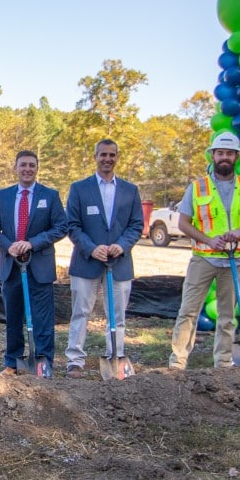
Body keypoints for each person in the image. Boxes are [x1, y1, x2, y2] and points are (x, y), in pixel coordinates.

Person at [168, 132, 240, 369]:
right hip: (204, 259)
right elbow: (183, 224)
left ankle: (223, 362)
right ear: (212, 155)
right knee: (188, 311)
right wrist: (209, 240)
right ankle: (177, 363)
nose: (224, 157)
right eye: (220, 153)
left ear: (236, 157)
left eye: (229, 153)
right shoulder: (197, 187)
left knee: (227, 316)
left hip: (235, 260)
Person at [64, 138, 144, 378]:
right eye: (103, 155)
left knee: (117, 315)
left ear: (117, 157)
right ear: (95, 157)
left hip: (119, 263)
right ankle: (74, 360)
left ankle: (116, 357)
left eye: (112, 155)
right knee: (80, 312)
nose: (107, 159)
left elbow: (136, 224)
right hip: (86, 262)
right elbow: (72, 225)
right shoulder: (80, 188)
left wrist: (122, 245)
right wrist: (91, 248)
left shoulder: (130, 191)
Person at [0, 150, 67, 378]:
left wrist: (32, 243)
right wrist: (9, 246)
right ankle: (12, 362)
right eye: (23, 165)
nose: (27, 169)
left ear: (37, 168)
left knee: (42, 319)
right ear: (15, 168)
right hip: (11, 268)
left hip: (39, 267)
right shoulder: (3, 196)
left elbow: (60, 227)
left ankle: (43, 364)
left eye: (32, 165)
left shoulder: (50, 196)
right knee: (13, 319)